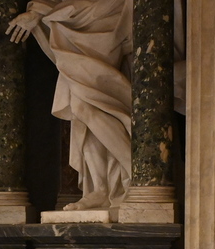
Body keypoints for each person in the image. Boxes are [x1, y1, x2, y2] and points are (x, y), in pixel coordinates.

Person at [7, 0, 132, 210]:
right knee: (80, 109)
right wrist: (38, 11)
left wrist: (41, 13)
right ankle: (100, 188)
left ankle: (136, 174)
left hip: (107, 17)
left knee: (87, 106)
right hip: (70, 26)